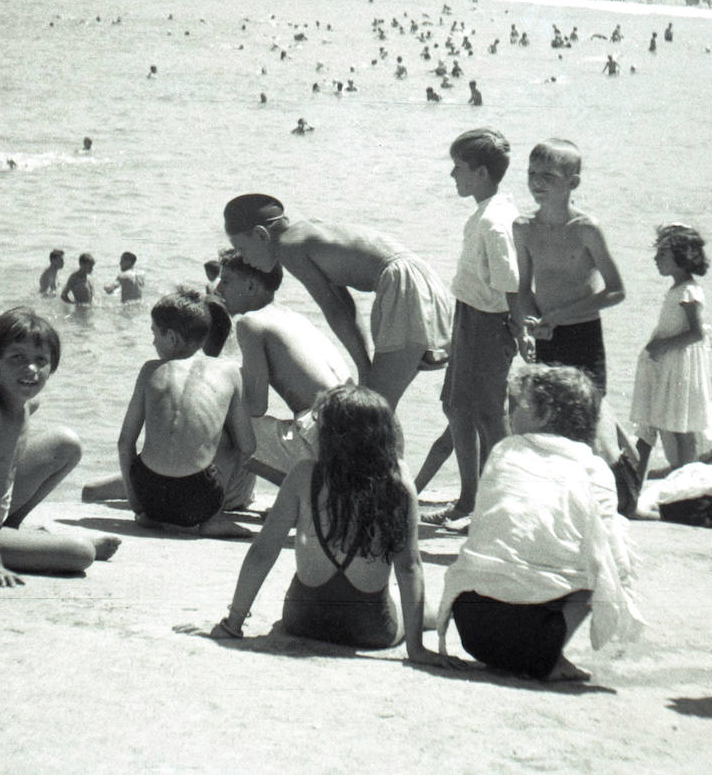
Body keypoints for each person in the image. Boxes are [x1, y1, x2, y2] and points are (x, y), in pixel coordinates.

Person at [211, 384, 457, 667]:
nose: (311, 429)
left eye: (318, 423)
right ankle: (440, 615)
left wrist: (234, 623)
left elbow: (263, 552)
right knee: (424, 610)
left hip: (303, 618)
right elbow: (408, 567)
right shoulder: (398, 485)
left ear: (332, 435)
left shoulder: (303, 475)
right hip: (370, 627)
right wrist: (416, 650)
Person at [437, 366, 642, 681]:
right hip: (535, 641)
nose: (509, 412)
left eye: (517, 405)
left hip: (472, 625)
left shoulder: (504, 451)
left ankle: (539, 647)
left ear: (545, 413)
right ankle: (554, 658)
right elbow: (611, 562)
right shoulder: (592, 467)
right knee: (609, 544)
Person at [223, 193, 452, 410]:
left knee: (373, 407)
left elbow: (333, 308)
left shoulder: (288, 247)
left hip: (401, 284)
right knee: (379, 401)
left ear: (261, 235)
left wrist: (363, 367)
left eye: (240, 248)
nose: (243, 259)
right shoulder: (306, 231)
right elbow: (345, 304)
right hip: (423, 278)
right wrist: (365, 366)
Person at [0, 308, 118, 582]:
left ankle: (13, 529)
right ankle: (9, 544)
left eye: (41, 360)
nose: (31, 369)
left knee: (66, 444)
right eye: (17, 358)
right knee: (82, 553)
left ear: (53, 367)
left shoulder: (24, 402)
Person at [430, 128, 520, 527]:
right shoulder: (488, 212)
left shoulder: (495, 221)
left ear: (481, 173)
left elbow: (510, 282)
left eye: (460, 168)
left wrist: (517, 330)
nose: (453, 175)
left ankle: (494, 502)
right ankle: (471, 499)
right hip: (470, 315)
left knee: (487, 412)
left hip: (490, 321)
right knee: (456, 405)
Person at [116, 288, 256, 536]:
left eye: (154, 334)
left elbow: (125, 443)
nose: (153, 342)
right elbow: (248, 447)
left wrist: (137, 505)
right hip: (199, 501)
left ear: (171, 338)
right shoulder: (231, 371)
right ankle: (215, 518)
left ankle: (153, 518)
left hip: (150, 496)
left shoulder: (149, 370)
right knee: (232, 441)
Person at [213, 249, 352, 485]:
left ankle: (307, 497)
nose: (217, 289)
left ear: (250, 287)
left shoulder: (251, 323)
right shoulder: (295, 318)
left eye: (226, 281)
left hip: (323, 438)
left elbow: (256, 406)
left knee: (220, 417)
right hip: (354, 431)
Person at [512, 138, 625, 396]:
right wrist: (531, 325)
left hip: (583, 335)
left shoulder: (586, 229)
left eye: (548, 175)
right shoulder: (523, 228)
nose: (537, 181)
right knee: (548, 416)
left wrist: (558, 317)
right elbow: (523, 289)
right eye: (532, 173)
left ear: (572, 183)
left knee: (588, 414)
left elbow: (616, 291)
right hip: (546, 335)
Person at [630, 224, 712, 475]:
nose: (656, 259)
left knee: (682, 427)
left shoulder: (688, 291)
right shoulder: (678, 288)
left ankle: (686, 479)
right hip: (670, 364)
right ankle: (651, 476)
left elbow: (696, 333)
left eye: (662, 255)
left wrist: (661, 345)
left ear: (682, 257)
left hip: (680, 366)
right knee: (665, 425)